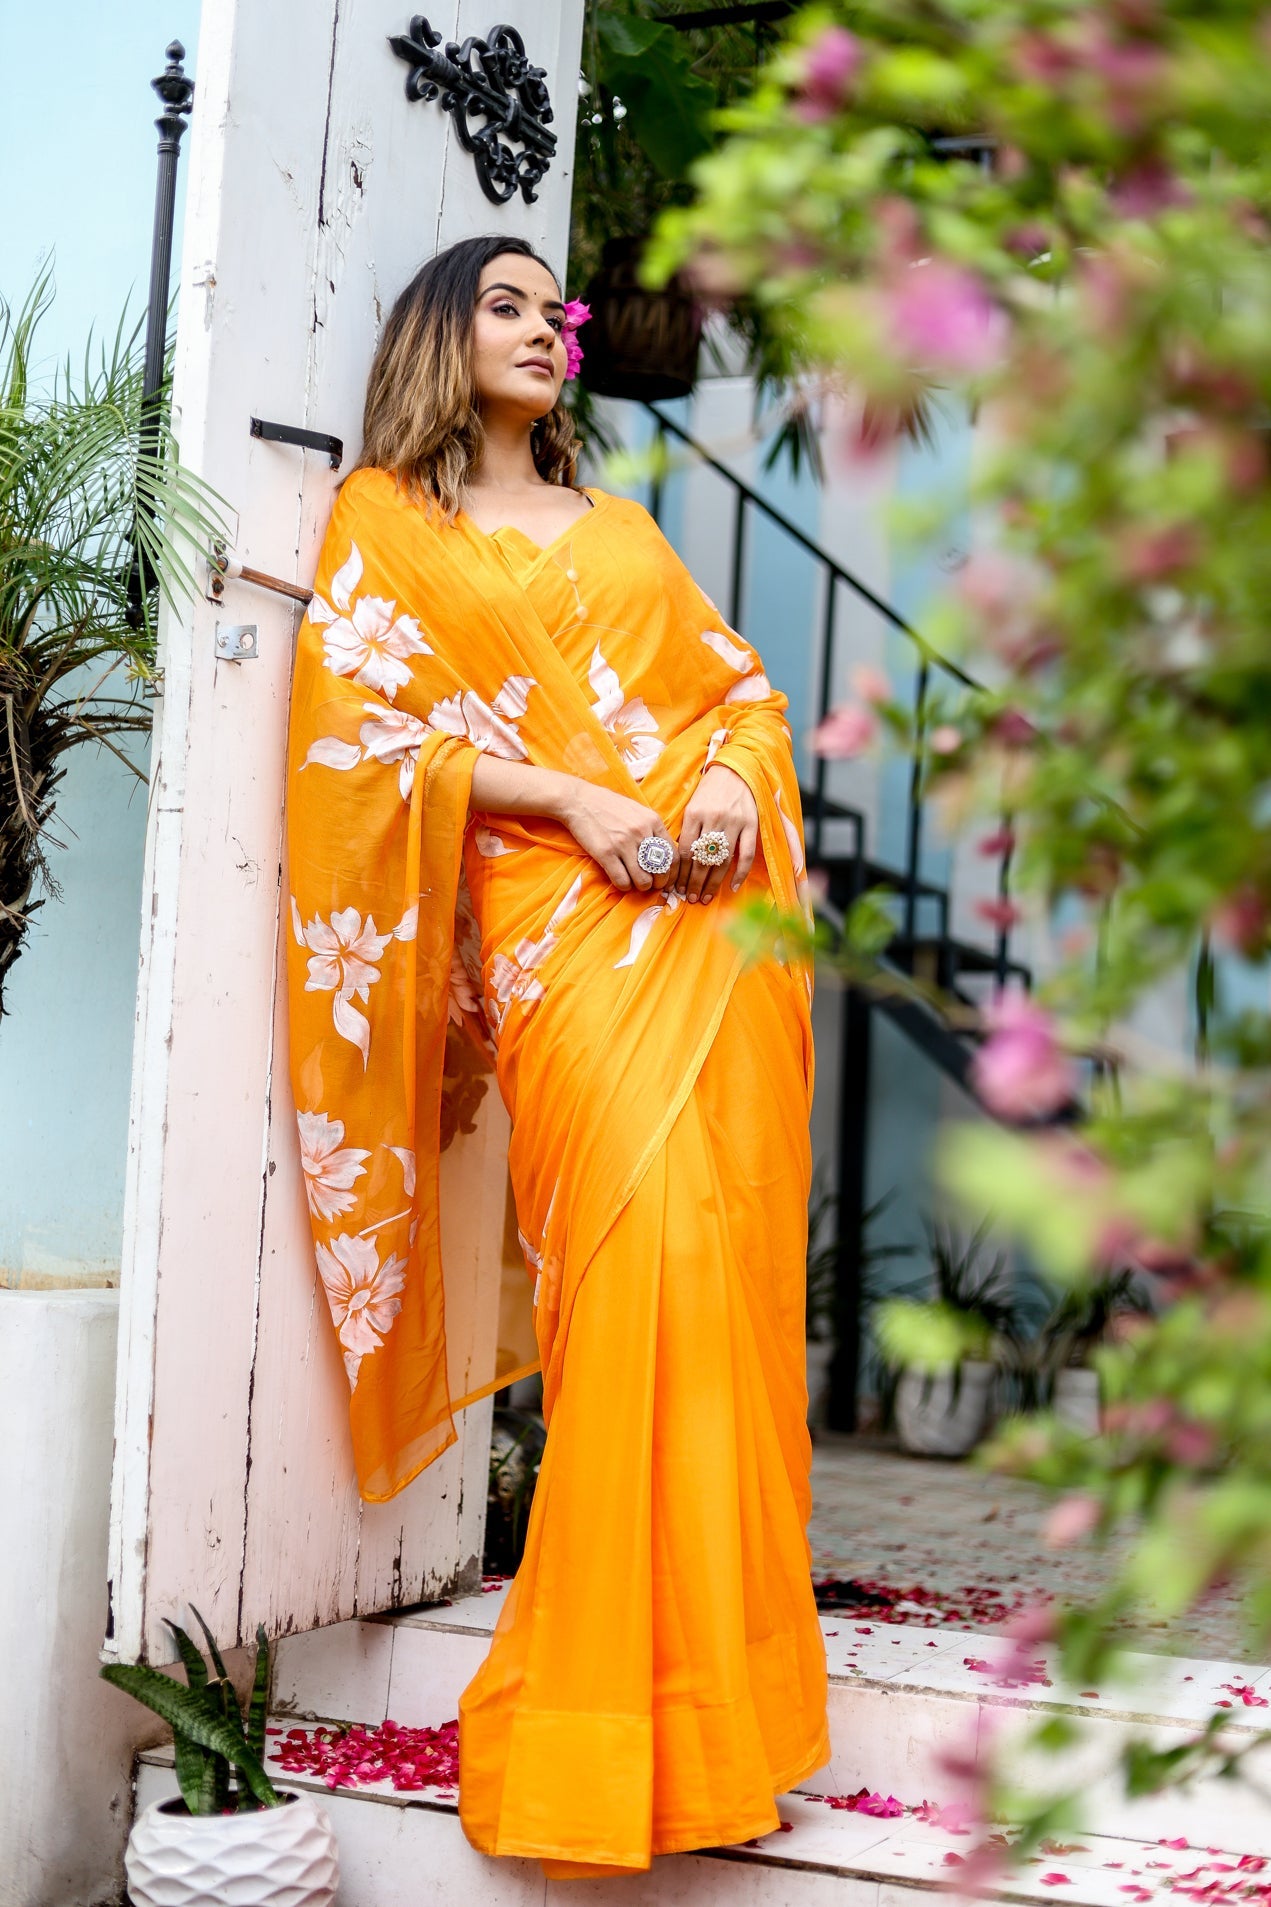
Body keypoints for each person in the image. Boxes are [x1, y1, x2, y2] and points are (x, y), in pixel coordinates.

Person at [285, 233, 828, 1879]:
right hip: (562, 944)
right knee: (630, 1271)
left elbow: (735, 696)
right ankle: (603, 1719)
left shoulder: (624, 527)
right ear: (444, 337)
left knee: (716, 1280)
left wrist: (729, 784)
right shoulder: (389, 524)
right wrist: (576, 800)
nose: (543, 329)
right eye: (505, 305)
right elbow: (365, 748)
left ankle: (709, 1713)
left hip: (706, 940)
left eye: (553, 309)